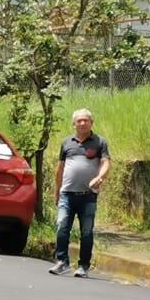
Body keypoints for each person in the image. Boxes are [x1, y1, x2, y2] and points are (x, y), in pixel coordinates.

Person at [49, 108, 111, 278]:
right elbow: (60, 168)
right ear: (74, 124)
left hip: (88, 196)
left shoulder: (99, 142)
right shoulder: (66, 143)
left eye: (86, 120)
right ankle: (62, 262)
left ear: (92, 122)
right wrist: (57, 191)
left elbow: (106, 163)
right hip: (67, 194)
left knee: (86, 231)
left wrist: (100, 177)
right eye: (79, 121)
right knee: (62, 226)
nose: (82, 123)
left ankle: (83, 266)